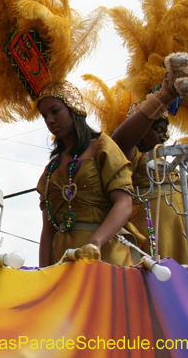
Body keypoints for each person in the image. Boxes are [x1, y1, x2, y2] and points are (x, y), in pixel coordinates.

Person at [36, 81, 135, 267]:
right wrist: (43, 273)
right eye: (44, 116)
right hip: (64, 263)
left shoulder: (102, 147)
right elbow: (48, 230)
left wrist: (95, 242)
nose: (49, 120)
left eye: (55, 111)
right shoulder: (51, 170)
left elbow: (124, 203)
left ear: (75, 108)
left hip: (105, 257)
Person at [110, 81, 188, 263]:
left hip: (184, 225)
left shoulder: (162, 161)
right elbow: (120, 140)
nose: (164, 137)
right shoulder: (130, 156)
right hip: (155, 227)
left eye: (166, 132)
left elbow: (177, 189)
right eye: (159, 130)